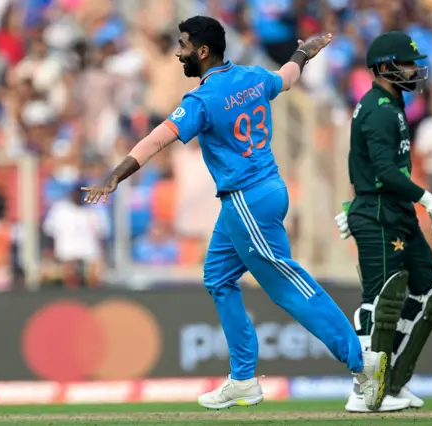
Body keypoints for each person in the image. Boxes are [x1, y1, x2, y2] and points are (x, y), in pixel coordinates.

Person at [81, 16, 387, 411]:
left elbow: (158, 139)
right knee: (218, 277)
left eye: (184, 45)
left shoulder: (202, 100)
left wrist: (114, 175)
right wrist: (302, 52)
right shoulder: (252, 76)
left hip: (246, 198)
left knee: (286, 283)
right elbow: (288, 77)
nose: (179, 52)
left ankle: (361, 361)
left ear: (203, 51)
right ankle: (243, 378)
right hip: (262, 191)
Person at [334, 31, 432, 413]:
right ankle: (363, 390)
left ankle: (392, 381)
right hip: (379, 213)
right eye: (406, 63)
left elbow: (368, 161)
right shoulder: (376, 109)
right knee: (378, 303)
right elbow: (385, 171)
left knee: (426, 291)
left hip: (393, 210)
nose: (413, 69)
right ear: (385, 67)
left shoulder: (393, 101)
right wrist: (428, 200)